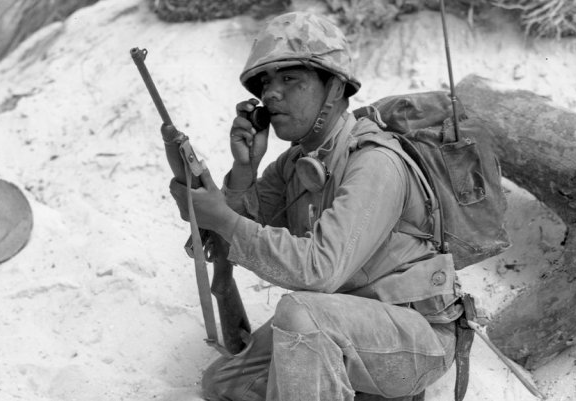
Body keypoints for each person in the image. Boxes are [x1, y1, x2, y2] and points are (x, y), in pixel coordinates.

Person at [170, 11, 463, 401]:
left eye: (290, 79)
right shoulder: (294, 164)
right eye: (265, 83)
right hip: (342, 322)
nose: (271, 94)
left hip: (413, 336)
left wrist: (223, 218)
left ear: (335, 88)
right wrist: (244, 170)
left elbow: (318, 271)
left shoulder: (375, 161)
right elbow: (239, 235)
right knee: (224, 384)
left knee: (299, 313)